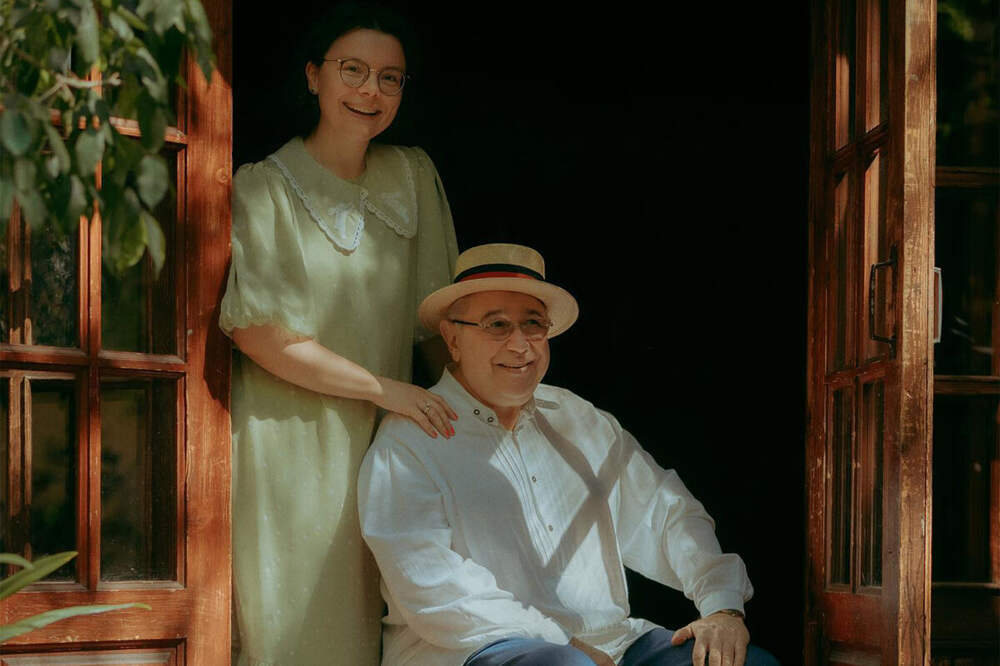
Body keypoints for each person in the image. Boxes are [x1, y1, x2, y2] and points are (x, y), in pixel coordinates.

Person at [358, 244, 780, 666]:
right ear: (453, 338)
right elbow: (431, 585)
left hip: (614, 645)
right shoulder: (411, 438)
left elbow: (667, 512)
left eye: (533, 324)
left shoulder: (580, 418)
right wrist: (564, 643)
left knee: (750, 664)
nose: (520, 345)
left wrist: (722, 607)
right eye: (497, 325)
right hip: (471, 650)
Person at [220, 4, 459, 664]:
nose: (370, 91)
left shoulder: (412, 175)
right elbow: (260, 335)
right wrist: (385, 389)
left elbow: (440, 326)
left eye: (389, 78)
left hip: (397, 441)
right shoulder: (264, 187)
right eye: (352, 70)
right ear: (312, 76)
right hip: (290, 445)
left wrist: (471, 422)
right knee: (306, 631)